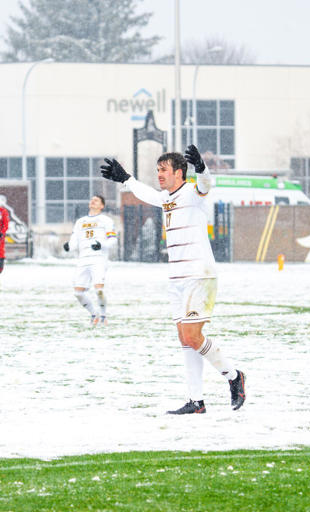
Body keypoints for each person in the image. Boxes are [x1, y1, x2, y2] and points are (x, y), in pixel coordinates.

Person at [100, 145, 246, 415]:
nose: (159, 175)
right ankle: (196, 401)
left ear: (180, 172)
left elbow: (205, 184)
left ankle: (234, 377)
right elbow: (149, 194)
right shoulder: (166, 199)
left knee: (192, 336)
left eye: (163, 170)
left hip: (199, 275)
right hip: (177, 279)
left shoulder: (192, 192)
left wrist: (201, 167)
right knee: (184, 338)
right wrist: (126, 179)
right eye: (157, 170)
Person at [63, 195, 117, 326]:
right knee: (78, 293)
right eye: (91, 200)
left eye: (96, 200)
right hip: (83, 259)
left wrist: (101, 244)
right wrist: (69, 246)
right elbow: (74, 240)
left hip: (98, 259)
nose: (93, 201)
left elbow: (113, 239)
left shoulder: (106, 220)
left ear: (102, 206)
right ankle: (94, 314)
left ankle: (104, 316)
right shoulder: (80, 222)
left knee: (99, 290)